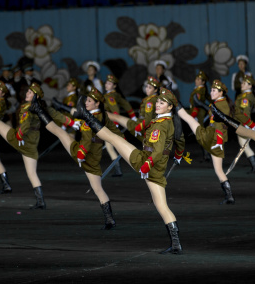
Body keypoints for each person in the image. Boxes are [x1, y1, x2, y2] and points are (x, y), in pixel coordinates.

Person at [72, 88, 186, 254]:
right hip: (157, 167)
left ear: (170, 107)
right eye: (158, 102)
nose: (157, 104)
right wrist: (179, 154)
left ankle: (86, 115)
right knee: (161, 205)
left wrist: (146, 164)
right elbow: (180, 140)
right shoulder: (171, 122)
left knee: (114, 138)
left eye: (162, 103)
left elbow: (158, 149)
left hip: (145, 161)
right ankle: (176, 244)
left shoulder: (162, 125)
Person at [29, 87, 123, 229]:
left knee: (60, 132)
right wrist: (124, 142)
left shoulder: (90, 120)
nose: (87, 102)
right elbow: (115, 132)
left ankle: (39, 110)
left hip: (85, 154)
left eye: (90, 101)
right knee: (98, 189)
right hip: (94, 157)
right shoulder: (103, 116)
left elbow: (86, 139)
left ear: (97, 104)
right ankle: (109, 219)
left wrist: (81, 153)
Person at [179, 79, 236, 204]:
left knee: (190, 120)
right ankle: (229, 196)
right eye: (211, 90)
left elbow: (221, 125)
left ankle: (174, 102)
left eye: (214, 91)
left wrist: (219, 142)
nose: (211, 92)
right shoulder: (219, 103)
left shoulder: (222, 105)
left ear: (221, 93)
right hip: (212, 137)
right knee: (218, 170)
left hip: (214, 138)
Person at [102, 74, 137, 176]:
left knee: (112, 146)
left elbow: (115, 111)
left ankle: (120, 168)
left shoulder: (110, 96)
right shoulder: (115, 95)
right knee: (112, 146)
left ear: (114, 86)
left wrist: (116, 125)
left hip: (112, 124)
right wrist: (133, 116)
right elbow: (126, 104)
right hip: (110, 123)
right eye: (106, 83)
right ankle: (118, 168)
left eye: (109, 83)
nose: (106, 85)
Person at [188, 70, 212, 162]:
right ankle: (206, 153)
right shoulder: (198, 89)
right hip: (197, 112)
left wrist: (193, 115)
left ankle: (207, 154)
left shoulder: (200, 90)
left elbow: (197, 104)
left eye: (199, 79)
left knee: (200, 134)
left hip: (198, 113)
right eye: (196, 78)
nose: (196, 80)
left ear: (203, 82)